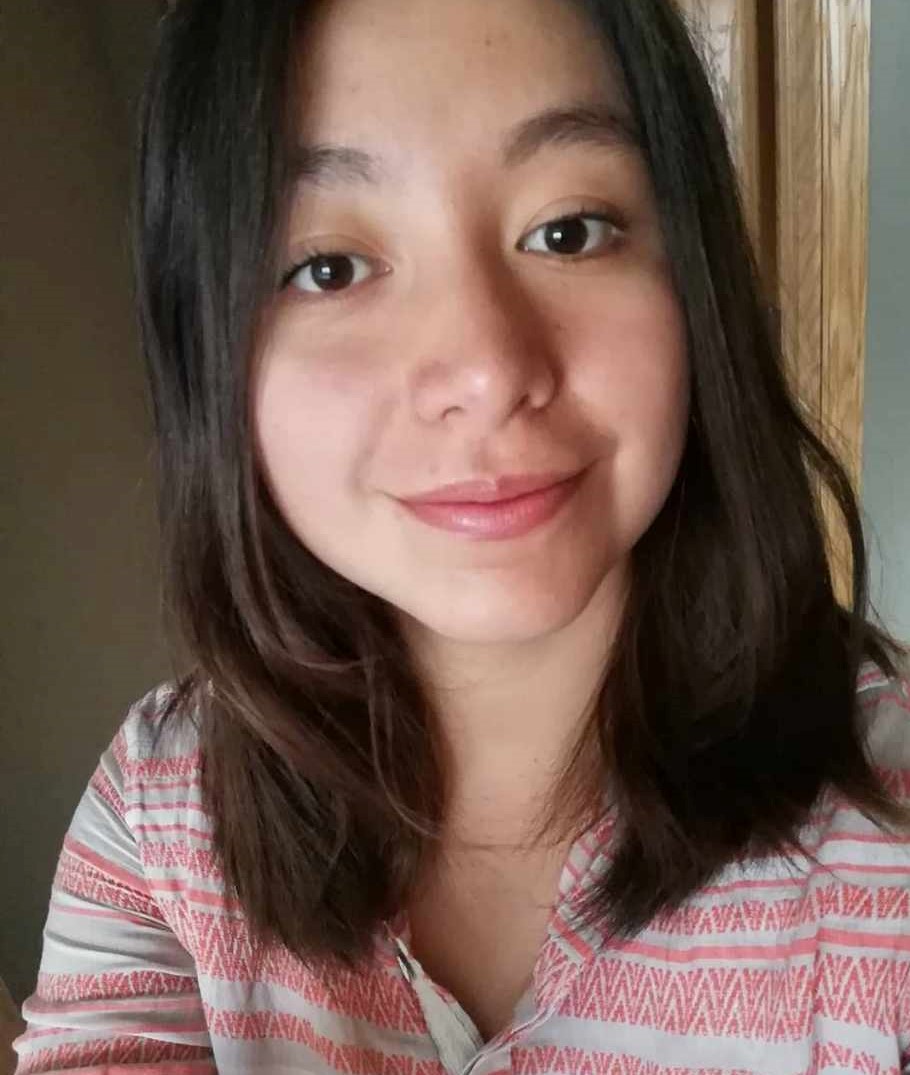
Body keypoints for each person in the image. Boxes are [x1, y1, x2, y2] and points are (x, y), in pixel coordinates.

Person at [14, 0, 910, 1072]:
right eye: (329, 266)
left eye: (568, 230)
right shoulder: (161, 805)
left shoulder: (886, 825)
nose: (486, 369)